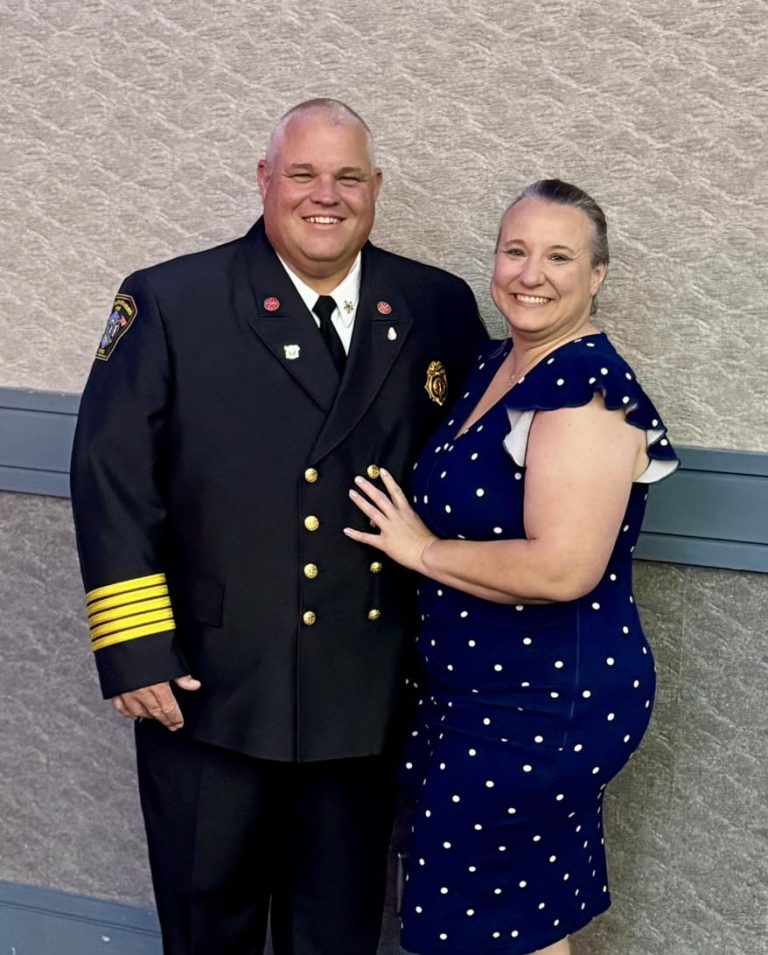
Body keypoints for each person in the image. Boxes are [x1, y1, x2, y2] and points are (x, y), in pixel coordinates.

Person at [70, 98, 487, 955]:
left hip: (364, 687)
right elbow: (112, 478)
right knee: (207, 923)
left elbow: (482, 466)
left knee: (336, 930)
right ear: (265, 180)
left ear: (376, 188)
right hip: (210, 686)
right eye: (302, 174)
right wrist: (136, 647)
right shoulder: (172, 299)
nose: (323, 195)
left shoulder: (436, 305)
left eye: (346, 177)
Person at [345, 179, 679, 955]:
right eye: (516, 250)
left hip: (545, 700)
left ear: (597, 275)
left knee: (471, 928)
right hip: (485, 692)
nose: (531, 273)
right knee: (523, 923)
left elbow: (564, 567)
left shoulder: (585, 392)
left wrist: (421, 549)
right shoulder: (503, 363)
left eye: (559, 256)